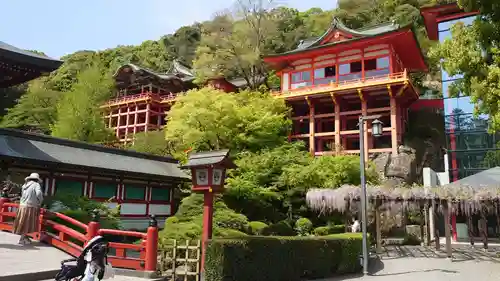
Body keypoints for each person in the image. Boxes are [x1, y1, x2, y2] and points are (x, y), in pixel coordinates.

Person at [12, 172, 44, 245]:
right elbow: (38, 193)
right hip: (30, 206)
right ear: (37, 179)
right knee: (27, 222)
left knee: (22, 221)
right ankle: (22, 239)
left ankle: (25, 237)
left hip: (22, 206)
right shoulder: (36, 185)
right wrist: (40, 201)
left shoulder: (25, 185)